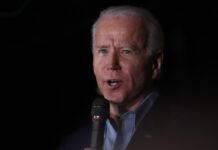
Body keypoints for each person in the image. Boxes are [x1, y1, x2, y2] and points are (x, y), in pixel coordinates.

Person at [59, 5, 217, 150]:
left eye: (126, 51)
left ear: (155, 64)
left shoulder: (191, 131)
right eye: (103, 51)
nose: (111, 63)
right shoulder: (73, 143)